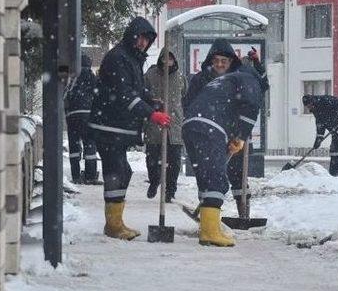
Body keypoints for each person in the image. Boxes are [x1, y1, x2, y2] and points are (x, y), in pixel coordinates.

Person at [88, 17, 171, 240]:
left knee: (123, 171)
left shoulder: (133, 60)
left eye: (147, 40)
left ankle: (115, 221)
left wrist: (152, 103)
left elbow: (138, 92)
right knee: (117, 172)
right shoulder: (118, 58)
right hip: (108, 126)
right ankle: (113, 224)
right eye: (141, 37)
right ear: (132, 35)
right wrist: (150, 113)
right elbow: (124, 95)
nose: (143, 43)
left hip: (118, 128)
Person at [182, 38, 269, 217]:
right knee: (209, 171)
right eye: (216, 61)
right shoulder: (201, 79)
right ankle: (209, 213)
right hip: (210, 132)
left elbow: (262, 87)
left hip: (236, 132)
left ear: (231, 61)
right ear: (210, 61)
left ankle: (243, 211)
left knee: (238, 174)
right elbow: (190, 102)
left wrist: (258, 66)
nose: (220, 65)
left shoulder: (240, 76)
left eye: (224, 61)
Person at [182, 65, 264, 247]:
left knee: (205, 177)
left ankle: (207, 227)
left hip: (190, 125)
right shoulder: (250, 80)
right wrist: (242, 137)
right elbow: (250, 109)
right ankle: (210, 232)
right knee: (216, 179)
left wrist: (233, 136)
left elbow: (227, 107)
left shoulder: (222, 81)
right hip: (210, 126)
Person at [143, 50, 187, 202]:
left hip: (174, 125)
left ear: (174, 60)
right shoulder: (150, 76)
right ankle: (154, 181)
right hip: (154, 123)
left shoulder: (180, 77)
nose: (167, 61)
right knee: (152, 159)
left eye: (170, 58)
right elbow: (143, 95)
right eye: (164, 58)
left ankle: (170, 190)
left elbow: (184, 97)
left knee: (174, 162)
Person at [64, 54, 99, 184]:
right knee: (90, 144)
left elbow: (65, 95)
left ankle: (76, 176)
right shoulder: (92, 76)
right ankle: (90, 176)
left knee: (74, 145)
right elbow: (99, 95)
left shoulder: (72, 77)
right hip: (88, 114)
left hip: (72, 115)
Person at [302, 94, 338, 176]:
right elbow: (320, 124)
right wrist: (318, 139)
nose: (309, 108)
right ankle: (333, 174)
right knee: (334, 151)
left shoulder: (323, 100)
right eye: (307, 107)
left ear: (312, 102)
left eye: (309, 105)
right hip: (335, 130)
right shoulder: (315, 110)